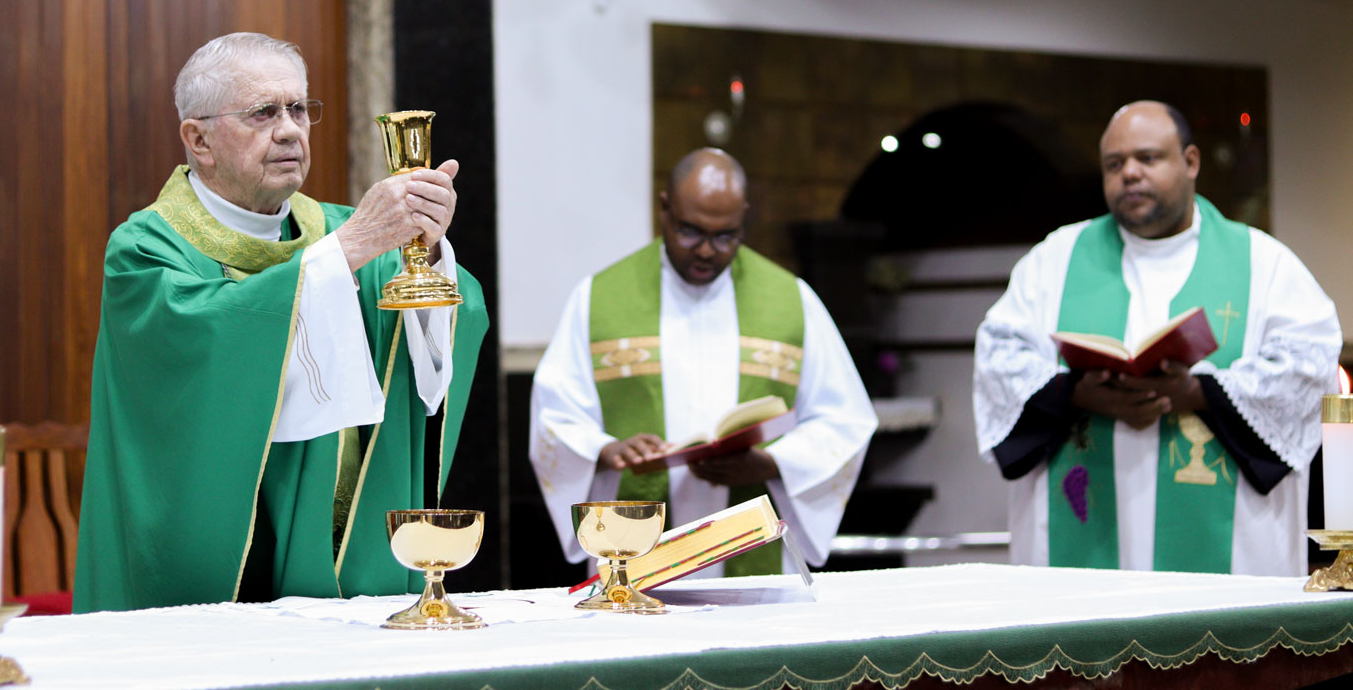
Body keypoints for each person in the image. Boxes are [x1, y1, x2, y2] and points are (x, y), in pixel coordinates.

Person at [76, 32, 487, 611]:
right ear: (199, 140)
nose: (291, 129)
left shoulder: (344, 233)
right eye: (263, 112)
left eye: (299, 109)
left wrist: (429, 254)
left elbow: (445, 334)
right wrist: (350, 249)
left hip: (345, 566)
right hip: (206, 581)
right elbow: (201, 350)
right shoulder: (145, 249)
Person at [974, 101, 1340, 576]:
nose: (1129, 173)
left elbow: (1309, 368)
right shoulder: (1056, 259)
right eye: (1114, 163)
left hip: (1232, 557)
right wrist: (1075, 392)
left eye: (1147, 158)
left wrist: (1198, 392)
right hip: (1082, 559)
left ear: (1190, 162)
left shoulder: (1263, 264)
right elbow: (998, 358)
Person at [529, 148, 877, 576]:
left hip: (751, 550)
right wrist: (606, 449)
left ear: (744, 218)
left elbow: (845, 420)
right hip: (634, 545)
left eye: (726, 236)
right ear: (664, 211)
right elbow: (554, 415)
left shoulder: (791, 301)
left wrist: (771, 463)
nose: (708, 251)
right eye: (690, 232)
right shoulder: (599, 298)